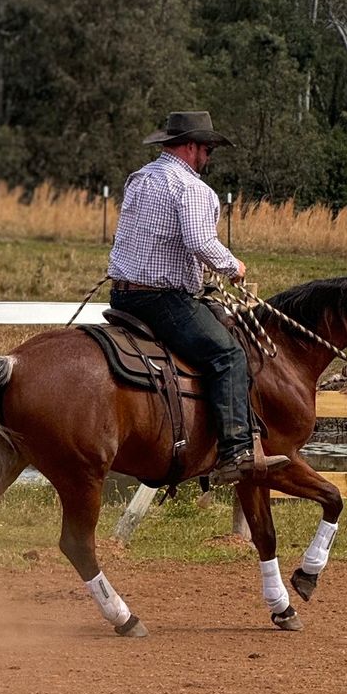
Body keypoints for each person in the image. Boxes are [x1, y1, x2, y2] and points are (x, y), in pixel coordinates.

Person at [109, 111, 289, 487]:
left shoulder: (139, 179)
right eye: (207, 149)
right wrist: (232, 266)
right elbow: (199, 242)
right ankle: (236, 451)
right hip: (163, 301)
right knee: (228, 354)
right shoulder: (191, 188)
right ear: (191, 147)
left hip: (123, 297)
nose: (208, 157)